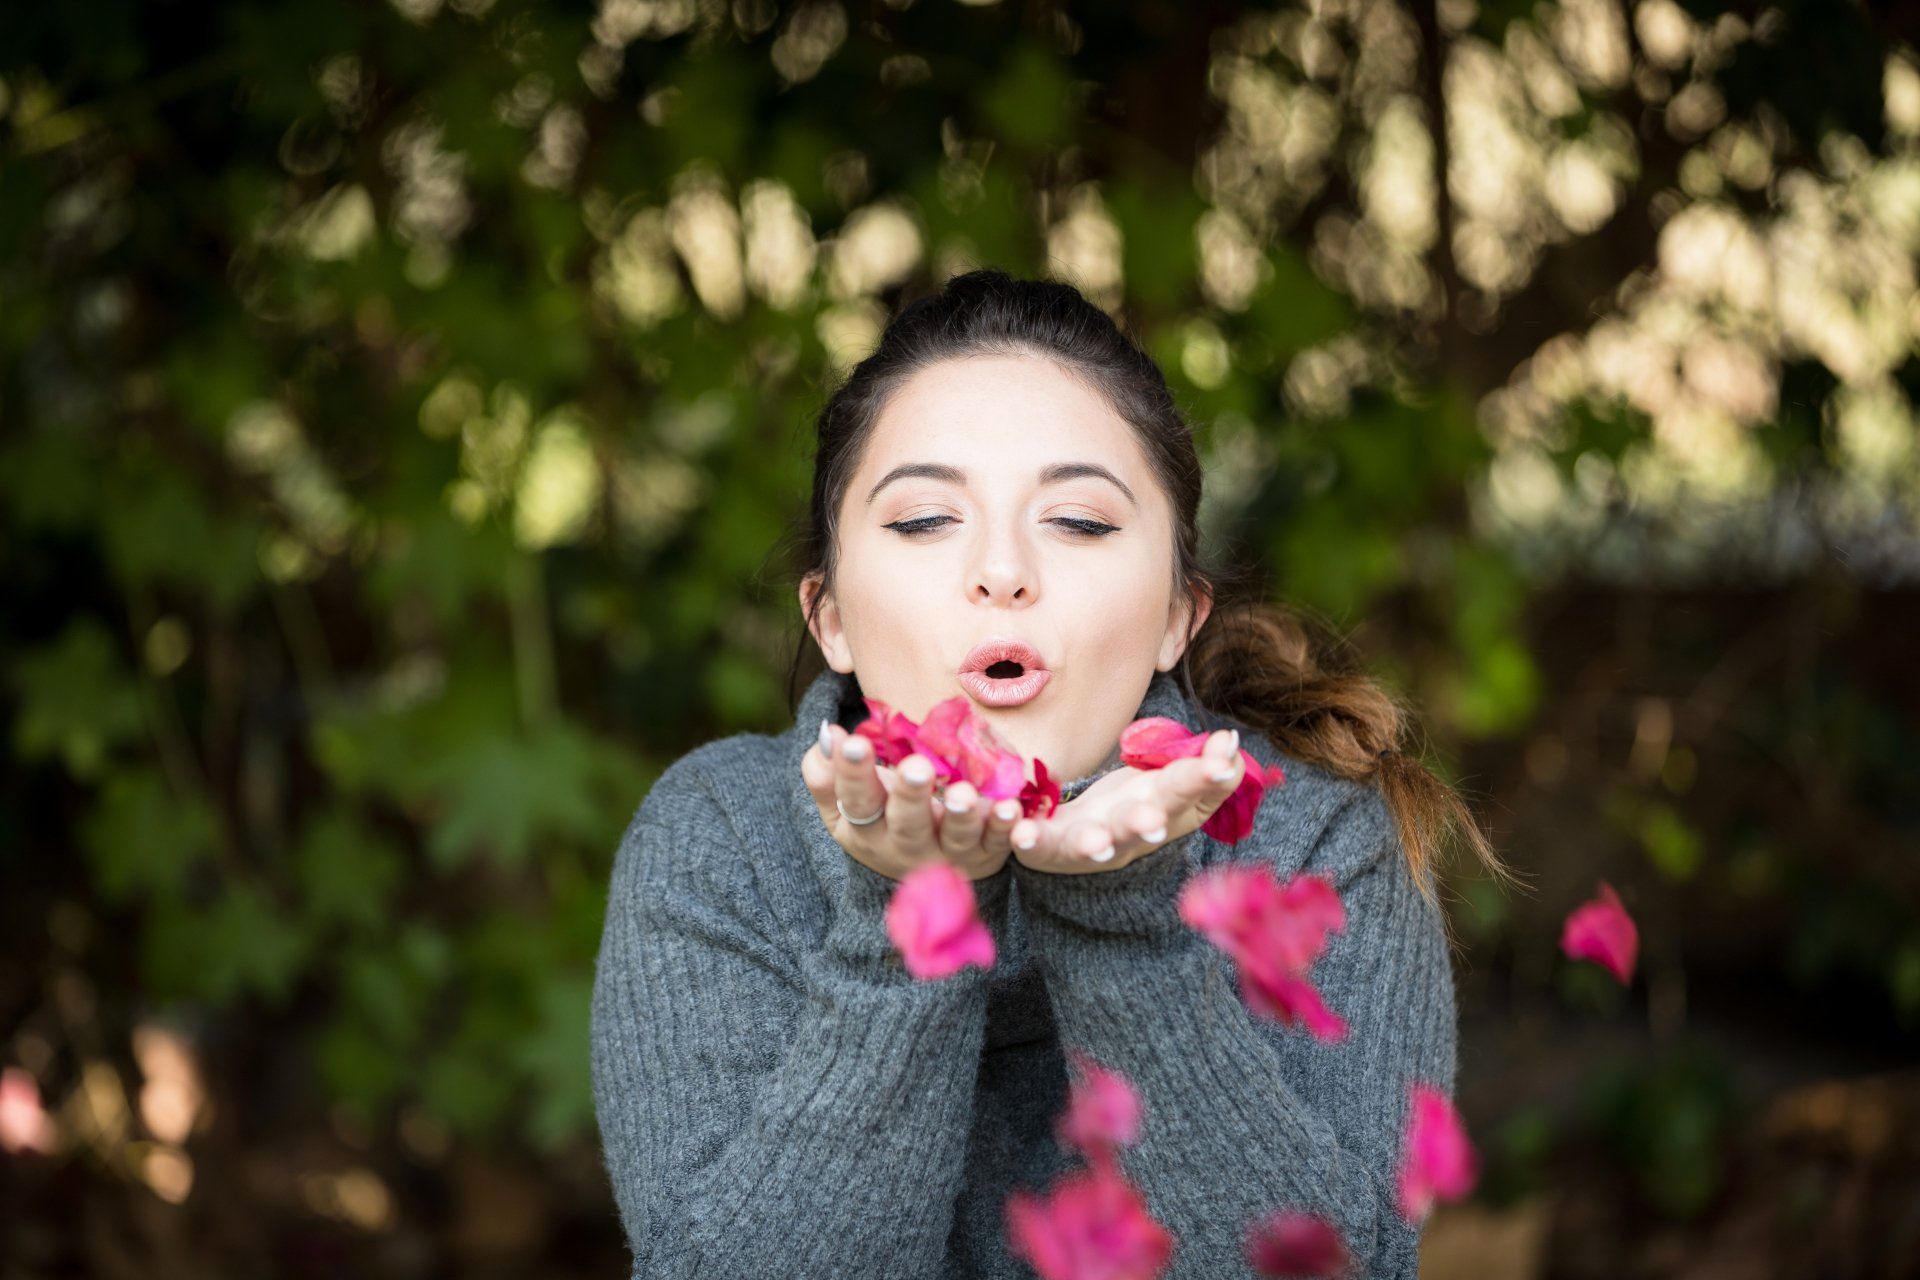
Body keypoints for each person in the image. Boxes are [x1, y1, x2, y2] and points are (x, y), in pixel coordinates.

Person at [589, 268, 1517, 1278]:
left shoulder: (1320, 841)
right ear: (832, 617)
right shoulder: (720, 836)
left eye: (1077, 520)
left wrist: (1125, 917)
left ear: (1177, 615)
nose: (1003, 569)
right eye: (922, 520)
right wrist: (911, 924)